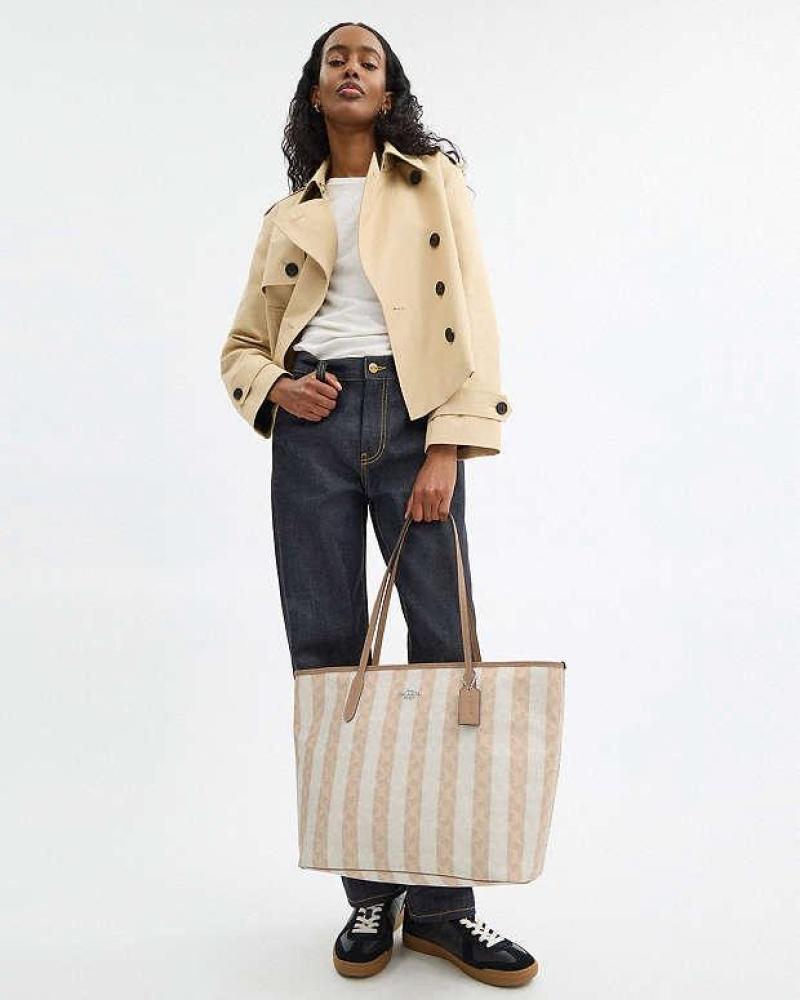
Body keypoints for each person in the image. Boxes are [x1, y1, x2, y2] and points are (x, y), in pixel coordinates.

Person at [220, 21, 537, 989]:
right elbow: (240, 347)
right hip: (313, 432)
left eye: (368, 59)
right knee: (327, 660)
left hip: (412, 417)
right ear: (316, 93)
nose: (351, 68)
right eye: (335, 60)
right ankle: (369, 891)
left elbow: (472, 312)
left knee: (444, 647)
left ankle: (442, 908)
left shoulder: (430, 180)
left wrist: (447, 442)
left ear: (388, 89)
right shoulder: (288, 215)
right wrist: (277, 388)